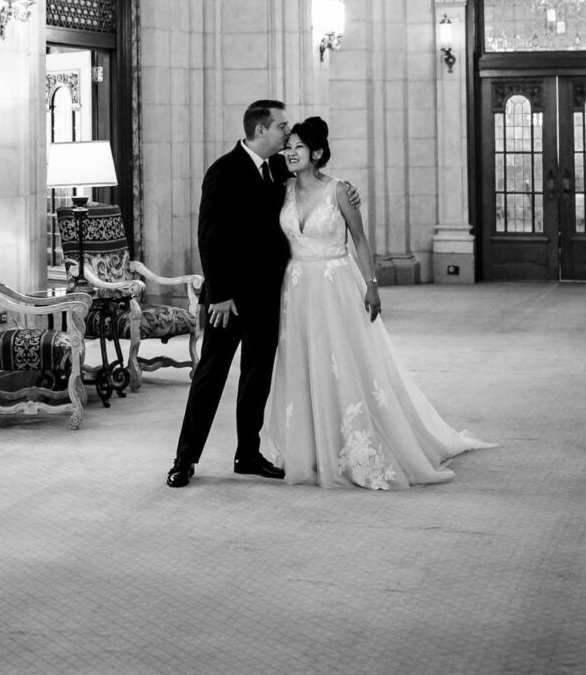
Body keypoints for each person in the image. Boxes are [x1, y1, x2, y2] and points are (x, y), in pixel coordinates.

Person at [261, 116, 493, 489]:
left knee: (345, 363)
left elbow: (360, 240)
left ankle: (359, 446)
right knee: (305, 364)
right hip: (297, 288)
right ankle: (314, 449)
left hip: (335, 283)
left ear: (317, 153)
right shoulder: (282, 189)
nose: (290, 152)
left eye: (299, 147)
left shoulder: (339, 191)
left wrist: (372, 285)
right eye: (288, 146)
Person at [166, 100, 294, 488]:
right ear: (260, 131)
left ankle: (247, 455)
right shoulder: (223, 171)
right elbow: (210, 237)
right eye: (282, 127)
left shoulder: (278, 169)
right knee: (211, 376)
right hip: (229, 300)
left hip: (268, 295)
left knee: (257, 378)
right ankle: (184, 460)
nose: (286, 134)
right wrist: (219, 294)